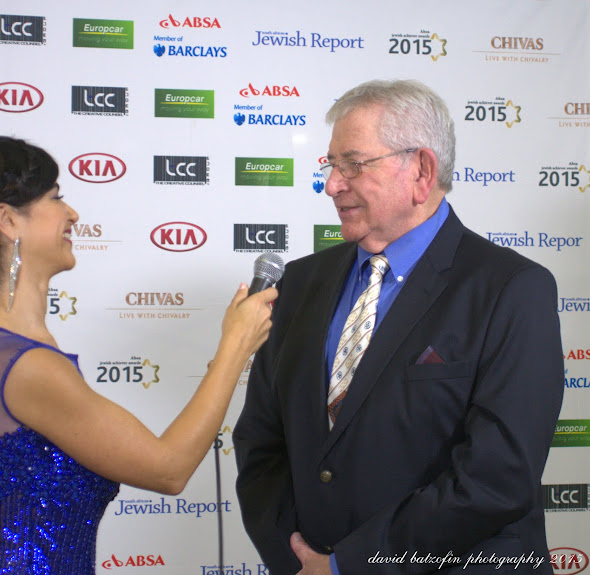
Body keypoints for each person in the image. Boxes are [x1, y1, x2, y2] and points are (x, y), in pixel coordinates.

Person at [233, 79, 564, 574]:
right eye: (330, 165)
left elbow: (498, 478)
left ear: (422, 171)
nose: (332, 184)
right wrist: (299, 561)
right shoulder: (298, 283)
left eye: (353, 164)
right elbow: (260, 444)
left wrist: (348, 566)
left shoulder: (512, 289)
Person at [0, 136, 277, 575]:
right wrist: (236, 346)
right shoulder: (25, 366)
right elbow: (169, 470)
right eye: (55, 197)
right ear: (7, 219)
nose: (72, 213)